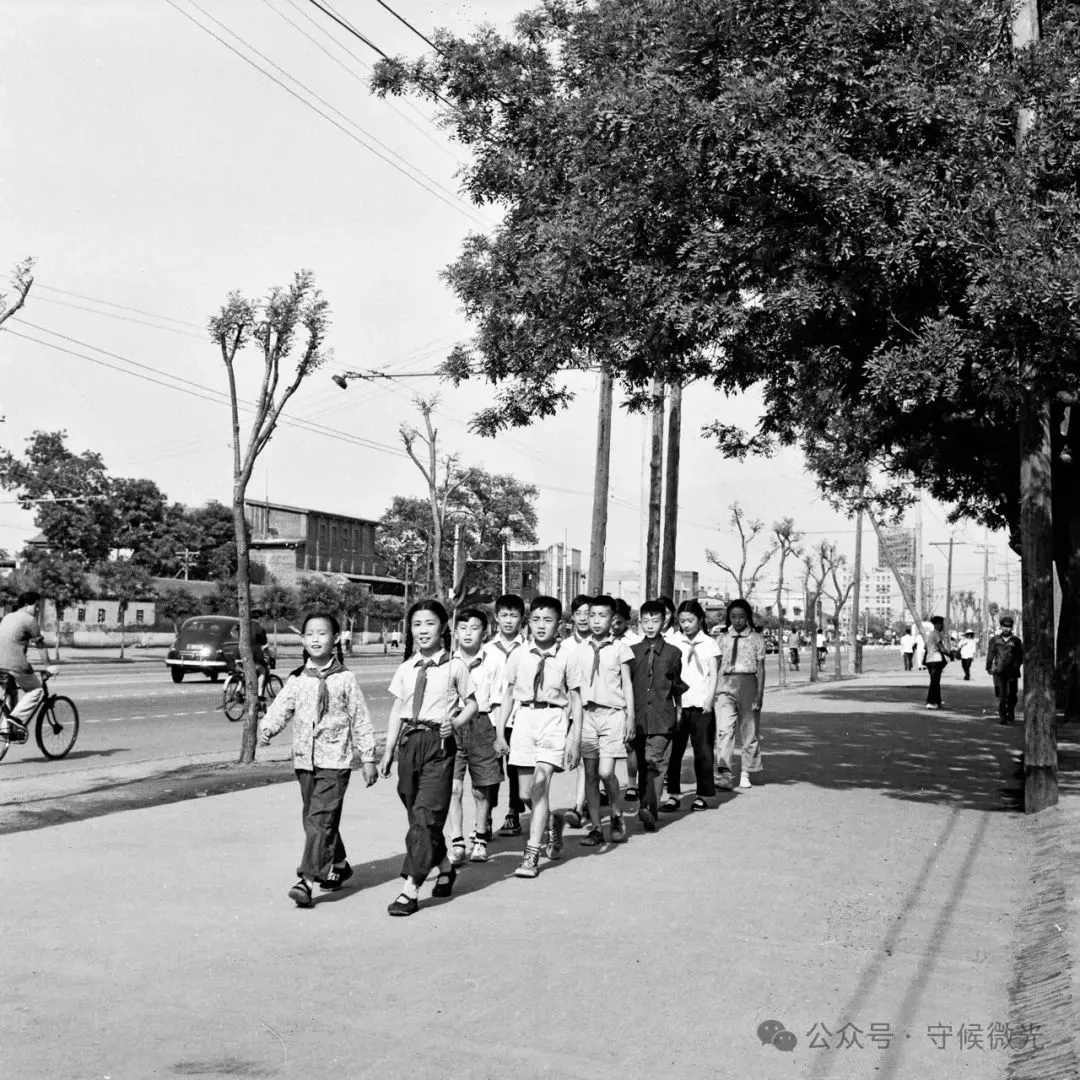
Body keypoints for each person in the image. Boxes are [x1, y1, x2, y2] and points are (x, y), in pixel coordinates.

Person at [258, 612, 378, 908]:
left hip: (336, 760)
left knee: (320, 820)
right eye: (309, 633)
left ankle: (306, 880)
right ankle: (339, 864)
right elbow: (281, 707)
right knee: (314, 819)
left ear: (335, 638)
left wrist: (369, 756)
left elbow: (360, 718)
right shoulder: (298, 678)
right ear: (302, 639)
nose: (315, 638)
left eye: (322, 633)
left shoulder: (346, 679)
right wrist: (267, 729)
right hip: (304, 760)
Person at [380, 599, 478, 916]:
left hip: (438, 744)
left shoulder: (455, 666)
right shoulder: (406, 668)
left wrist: (457, 723)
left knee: (426, 817)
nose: (423, 631)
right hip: (409, 744)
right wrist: (389, 749)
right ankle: (446, 867)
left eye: (430, 623)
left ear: (443, 627)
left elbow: (473, 703)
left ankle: (410, 889)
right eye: (417, 624)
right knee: (417, 816)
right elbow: (398, 709)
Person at [501, 595, 584, 879]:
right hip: (524, 719)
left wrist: (575, 737)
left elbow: (575, 698)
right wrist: (501, 732)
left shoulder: (567, 656)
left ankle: (532, 854)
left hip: (553, 719)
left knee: (539, 785)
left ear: (559, 624)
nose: (540, 626)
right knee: (525, 793)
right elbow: (509, 692)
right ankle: (551, 821)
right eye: (535, 620)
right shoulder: (519, 654)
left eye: (547, 620)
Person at [572, 595, 635, 846]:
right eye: (592, 616)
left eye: (603, 616)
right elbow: (573, 688)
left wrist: (631, 716)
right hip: (587, 715)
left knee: (605, 771)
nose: (596, 621)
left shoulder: (621, 649)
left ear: (613, 619)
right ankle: (597, 828)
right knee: (589, 775)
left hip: (612, 715)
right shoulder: (578, 649)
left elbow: (628, 684)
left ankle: (617, 815)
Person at [446, 607, 506, 866]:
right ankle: (457, 841)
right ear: (454, 631)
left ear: (485, 631)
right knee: (453, 787)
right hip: (452, 725)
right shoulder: (447, 661)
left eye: (474, 628)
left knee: (482, 789)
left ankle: (480, 838)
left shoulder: (494, 659)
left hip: (483, 723)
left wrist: (500, 735)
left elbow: (501, 699)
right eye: (462, 628)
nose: (468, 633)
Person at [628, 600, 685, 830]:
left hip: (663, 716)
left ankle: (649, 809)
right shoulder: (631, 653)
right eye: (646, 621)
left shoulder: (673, 653)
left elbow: (677, 685)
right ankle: (646, 805)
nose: (650, 625)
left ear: (665, 621)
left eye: (656, 620)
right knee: (642, 763)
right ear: (639, 622)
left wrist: (678, 711)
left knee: (656, 763)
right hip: (638, 718)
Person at [663, 599, 719, 811]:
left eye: (690, 620)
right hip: (678, 704)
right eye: (683, 621)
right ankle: (674, 795)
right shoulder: (674, 641)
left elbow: (713, 674)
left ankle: (702, 794)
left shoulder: (709, 643)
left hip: (701, 704)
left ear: (700, 620)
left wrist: (709, 698)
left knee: (703, 750)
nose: (686, 624)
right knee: (674, 751)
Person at [715, 598, 767, 790]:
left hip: (748, 684)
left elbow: (760, 669)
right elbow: (716, 665)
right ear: (729, 617)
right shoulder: (721, 638)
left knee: (749, 731)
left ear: (748, 618)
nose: (737, 621)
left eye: (741, 617)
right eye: (733, 616)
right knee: (724, 730)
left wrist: (759, 694)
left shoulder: (756, 638)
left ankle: (746, 771)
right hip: (725, 685)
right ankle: (725, 774)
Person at [488, 594, 528, 838]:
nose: (508, 621)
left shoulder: (528, 649)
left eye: (514, 616)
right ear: (496, 618)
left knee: (516, 768)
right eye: (504, 615)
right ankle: (486, 814)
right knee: (490, 769)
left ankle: (514, 813)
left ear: (522, 619)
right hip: (492, 717)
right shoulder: (487, 649)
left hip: (519, 716)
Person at [0, 591, 56, 741]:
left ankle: (7, 730)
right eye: (37, 606)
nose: (38, 610)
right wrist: (49, 666)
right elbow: (40, 644)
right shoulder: (29, 620)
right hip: (15, 664)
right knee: (36, 690)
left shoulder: (7, 617)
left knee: (11, 695)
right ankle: (16, 720)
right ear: (27, 605)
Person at [986, 616, 1024, 725]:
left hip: (1012, 672)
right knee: (1001, 695)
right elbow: (991, 654)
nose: (1006, 628)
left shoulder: (1016, 641)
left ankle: (1011, 711)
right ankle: (1003, 716)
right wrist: (989, 667)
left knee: (1012, 695)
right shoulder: (995, 640)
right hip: (999, 672)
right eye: (1004, 626)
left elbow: (1020, 656)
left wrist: (1016, 665)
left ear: (1011, 627)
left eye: (1009, 626)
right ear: (1001, 626)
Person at [923, 615, 948, 709]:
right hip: (936, 659)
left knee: (935, 682)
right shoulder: (937, 633)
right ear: (937, 624)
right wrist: (951, 655)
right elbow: (942, 648)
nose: (942, 626)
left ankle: (937, 701)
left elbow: (925, 647)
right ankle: (930, 701)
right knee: (934, 682)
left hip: (929, 660)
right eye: (941, 624)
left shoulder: (930, 634)